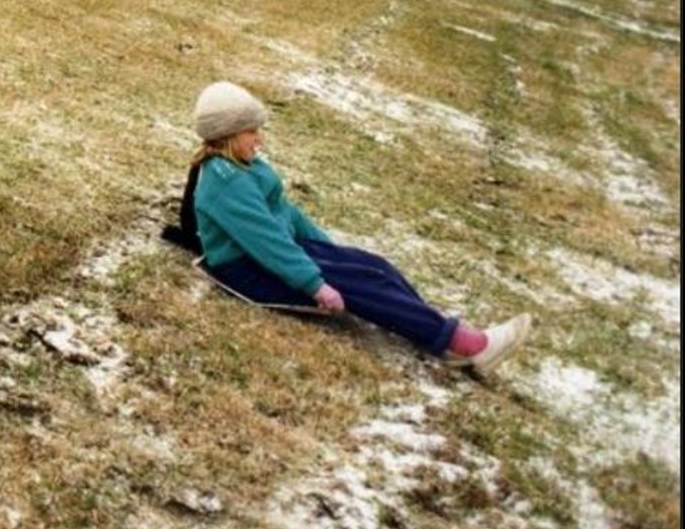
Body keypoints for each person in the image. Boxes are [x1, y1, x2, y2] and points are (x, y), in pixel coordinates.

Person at [179, 81, 532, 371]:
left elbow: (286, 212)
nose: (259, 139)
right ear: (227, 135)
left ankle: (439, 329)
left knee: (374, 267)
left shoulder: (246, 166)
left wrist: (332, 250)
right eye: (251, 131)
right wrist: (316, 284)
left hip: (274, 254)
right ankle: (465, 345)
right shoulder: (226, 184)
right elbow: (267, 242)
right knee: (364, 285)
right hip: (248, 269)